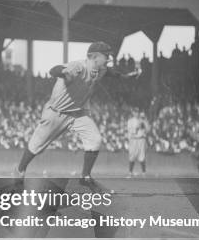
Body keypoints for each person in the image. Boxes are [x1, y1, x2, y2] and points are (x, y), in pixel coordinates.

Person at [13, 42, 141, 190]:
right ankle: (20, 170)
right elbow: (53, 70)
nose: (108, 58)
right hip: (57, 112)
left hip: (78, 113)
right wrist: (63, 72)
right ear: (93, 57)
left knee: (95, 139)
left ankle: (85, 177)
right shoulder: (79, 67)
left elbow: (112, 73)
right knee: (36, 145)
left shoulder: (101, 69)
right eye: (106, 55)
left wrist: (126, 76)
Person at [126, 109, 149, 177]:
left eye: (137, 112)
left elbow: (147, 130)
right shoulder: (130, 121)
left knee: (142, 155)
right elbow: (129, 130)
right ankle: (130, 172)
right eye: (135, 112)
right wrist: (136, 128)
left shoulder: (143, 120)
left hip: (141, 139)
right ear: (133, 113)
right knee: (132, 155)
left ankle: (144, 172)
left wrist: (144, 125)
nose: (136, 113)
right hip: (133, 139)